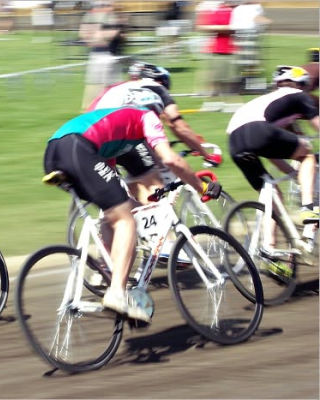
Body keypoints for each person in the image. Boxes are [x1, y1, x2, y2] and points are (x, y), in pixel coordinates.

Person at [43, 91, 222, 321]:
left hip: (54, 153)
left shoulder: (115, 126)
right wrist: (202, 188)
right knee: (125, 220)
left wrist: (135, 204)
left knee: (117, 211)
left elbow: (110, 176)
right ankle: (117, 292)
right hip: (77, 148)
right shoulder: (147, 117)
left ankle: (110, 275)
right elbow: (170, 159)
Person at [87, 62, 223, 204]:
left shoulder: (122, 88)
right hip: (115, 136)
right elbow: (176, 124)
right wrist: (205, 153)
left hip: (89, 137)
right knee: (154, 181)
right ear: (161, 81)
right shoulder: (155, 88)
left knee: (136, 186)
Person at [227, 66, 319, 224]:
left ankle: (267, 246)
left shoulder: (266, 101)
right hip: (257, 131)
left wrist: (296, 175)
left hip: (234, 142)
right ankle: (308, 208)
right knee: (308, 155)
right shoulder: (299, 96)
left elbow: (271, 152)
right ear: (300, 84)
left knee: (273, 197)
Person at [78, 1, 125, 111]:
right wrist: (97, 36)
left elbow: (112, 34)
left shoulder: (113, 17)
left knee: (113, 88)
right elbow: (84, 34)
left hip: (111, 56)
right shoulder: (90, 15)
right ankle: (88, 112)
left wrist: (97, 34)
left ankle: (111, 111)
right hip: (97, 55)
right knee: (93, 87)